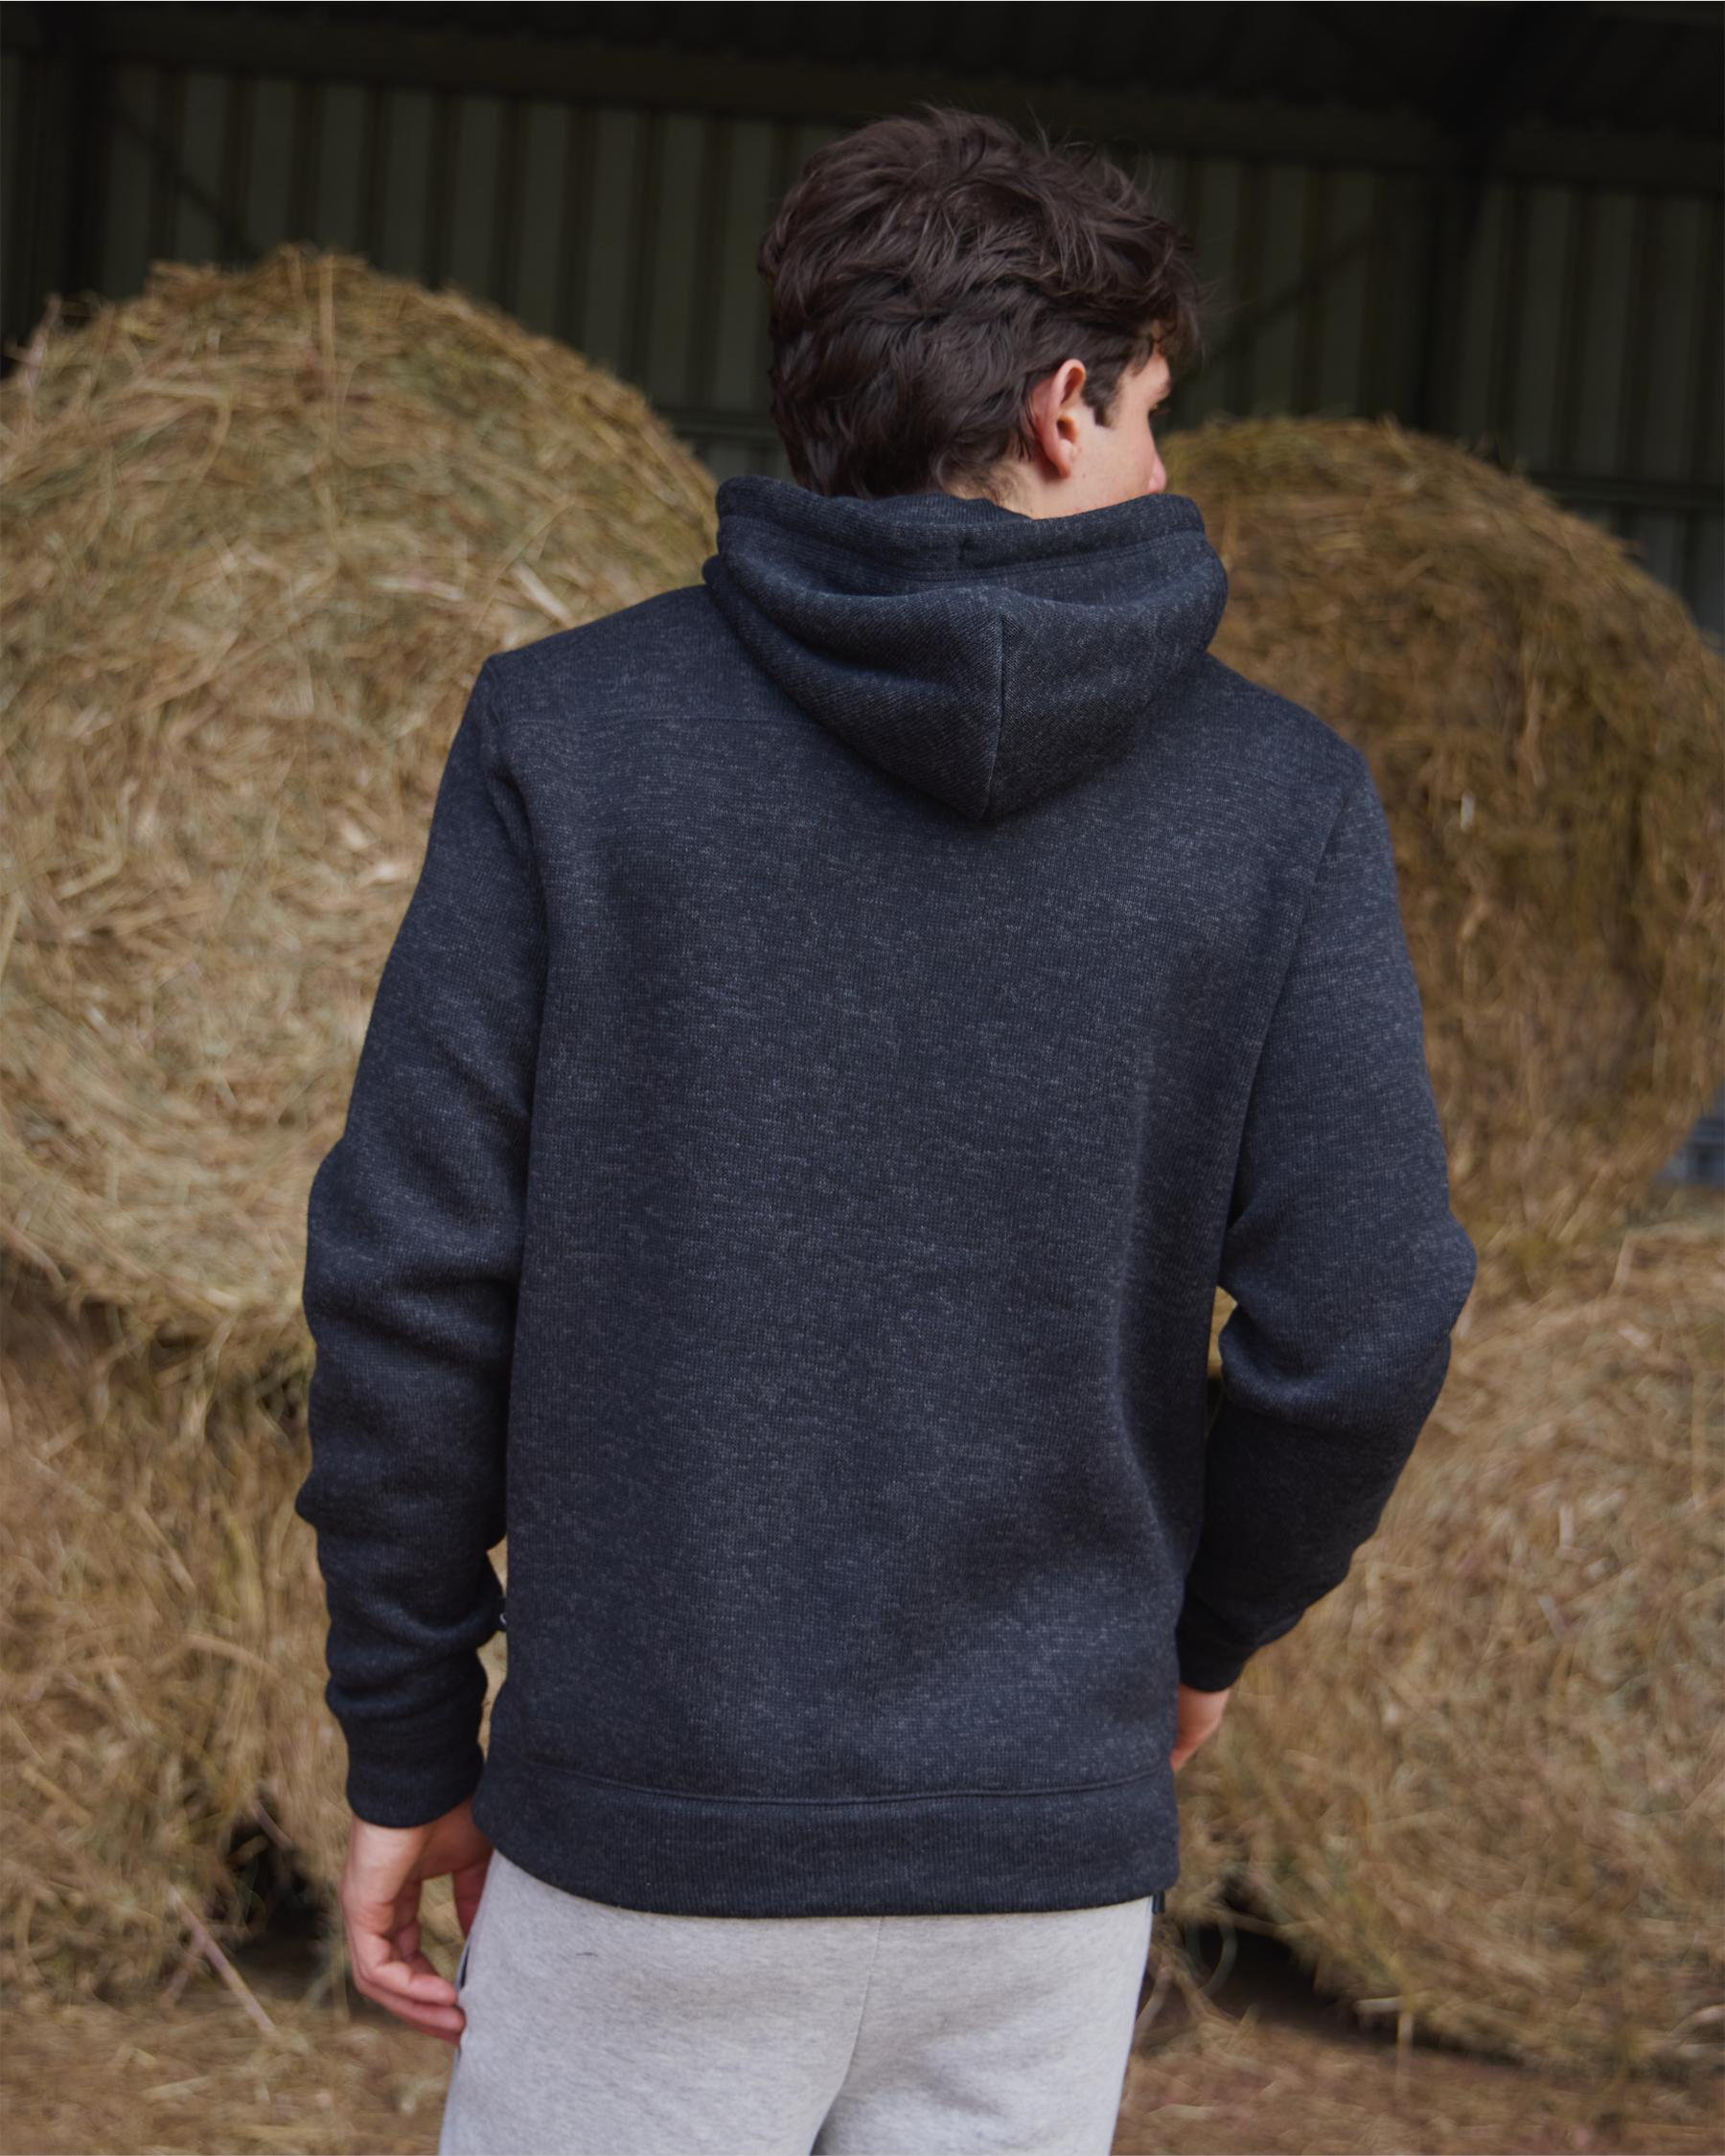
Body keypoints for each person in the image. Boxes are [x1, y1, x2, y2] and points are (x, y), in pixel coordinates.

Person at [294, 101, 1477, 2156]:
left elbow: (408, 1279)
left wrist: (408, 1738)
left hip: (647, 1844)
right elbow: (1365, 1321)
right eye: (1154, 414)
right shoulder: (1277, 801)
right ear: (1063, 406)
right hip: (1035, 1873)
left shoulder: (573, 737)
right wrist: (1197, 1637)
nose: (1165, 467)